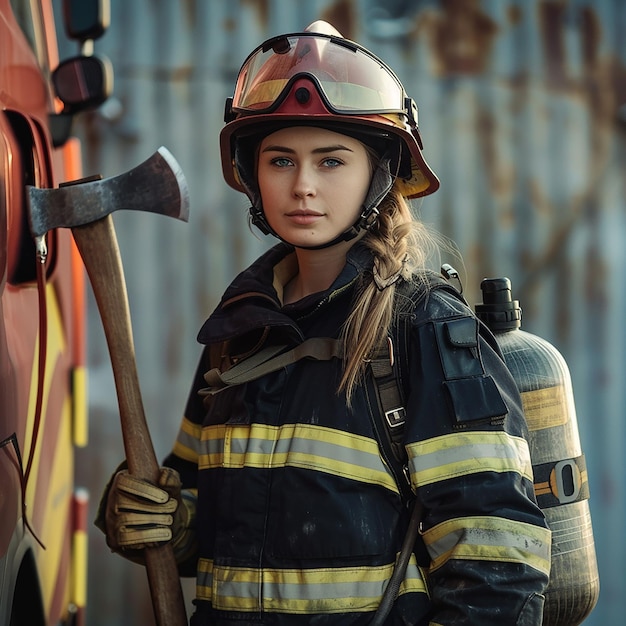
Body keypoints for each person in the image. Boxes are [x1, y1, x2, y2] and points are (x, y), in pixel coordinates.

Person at [97, 20, 551, 625]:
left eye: (331, 161)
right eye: (281, 159)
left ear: (380, 173)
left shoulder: (425, 334)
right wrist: (161, 521)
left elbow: (499, 575)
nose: (303, 187)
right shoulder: (238, 335)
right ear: (251, 172)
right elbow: (216, 532)